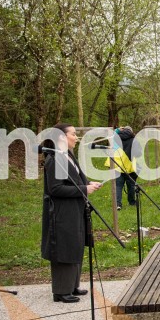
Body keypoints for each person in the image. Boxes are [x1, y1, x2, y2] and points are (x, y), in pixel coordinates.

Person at [41, 124, 101, 303]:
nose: (76, 137)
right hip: (61, 212)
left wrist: (89, 183)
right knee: (64, 247)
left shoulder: (67, 156)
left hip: (75, 208)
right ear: (61, 137)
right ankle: (61, 291)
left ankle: (72, 285)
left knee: (75, 243)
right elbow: (55, 188)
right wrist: (84, 189)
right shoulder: (54, 159)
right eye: (73, 134)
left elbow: (74, 179)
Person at [109, 126, 139, 211]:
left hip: (117, 165)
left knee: (118, 185)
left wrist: (117, 130)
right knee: (131, 185)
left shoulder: (115, 139)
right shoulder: (134, 140)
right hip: (129, 166)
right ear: (131, 131)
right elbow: (138, 153)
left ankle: (118, 204)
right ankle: (132, 202)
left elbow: (110, 134)